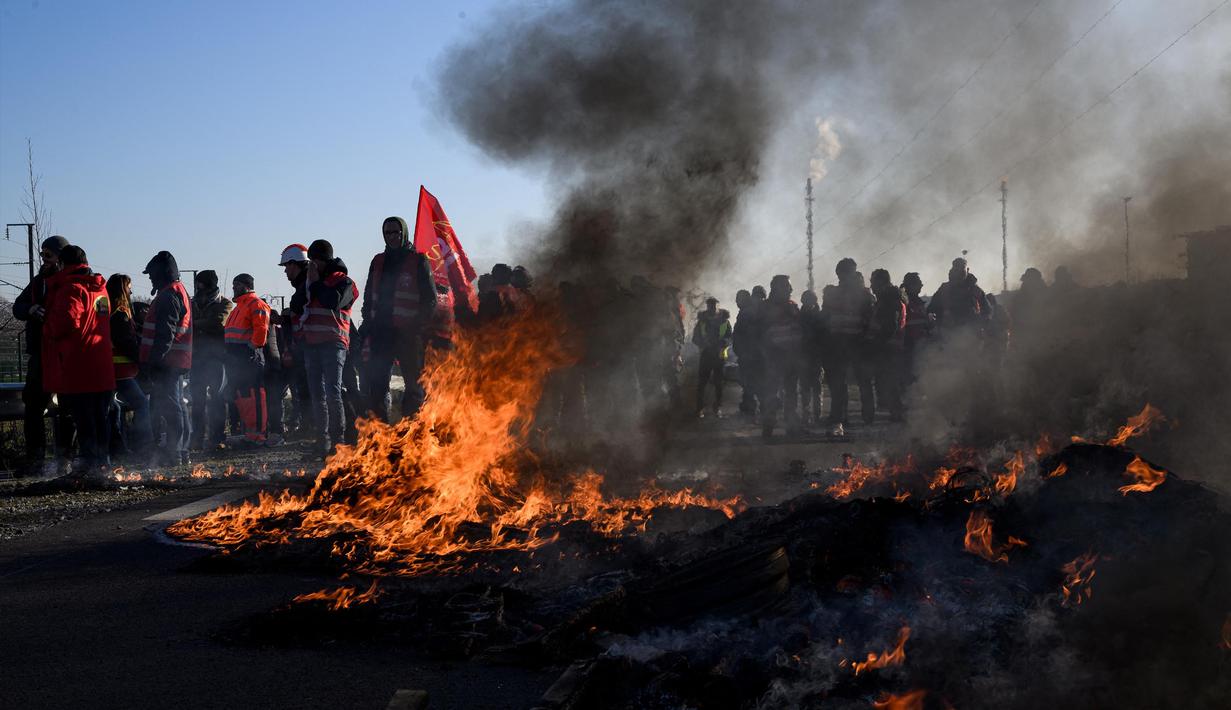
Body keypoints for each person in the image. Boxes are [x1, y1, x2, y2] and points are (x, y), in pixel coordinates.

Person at [42, 246, 115, 475]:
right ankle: (102, 463)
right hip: (102, 364)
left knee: (84, 419)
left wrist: (47, 324)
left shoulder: (71, 289)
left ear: (63, 264)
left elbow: (65, 323)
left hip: (79, 365)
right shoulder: (100, 289)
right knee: (100, 418)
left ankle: (89, 464)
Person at [359, 216, 437, 422]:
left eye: (395, 232)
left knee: (413, 386)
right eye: (387, 233)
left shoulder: (419, 260)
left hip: (408, 335)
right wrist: (368, 322)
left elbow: (430, 300)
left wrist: (417, 328)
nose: (391, 237)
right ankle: (379, 435)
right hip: (381, 333)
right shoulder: (377, 261)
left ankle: (411, 432)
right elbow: (368, 296)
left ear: (404, 233)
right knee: (377, 386)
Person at [13, 235, 74, 475]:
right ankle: (36, 459)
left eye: (48, 255)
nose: (43, 259)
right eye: (42, 255)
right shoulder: (39, 283)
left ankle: (66, 459)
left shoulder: (71, 282)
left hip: (64, 355)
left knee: (67, 407)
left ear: (60, 256)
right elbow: (18, 305)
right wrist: (30, 308)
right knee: (33, 405)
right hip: (40, 354)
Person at [302, 239, 358, 456]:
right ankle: (322, 441)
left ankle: (339, 441)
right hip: (312, 344)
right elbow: (299, 303)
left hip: (334, 344)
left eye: (314, 260)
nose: (312, 265)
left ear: (323, 260)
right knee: (317, 395)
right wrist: (311, 283)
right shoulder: (311, 280)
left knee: (332, 392)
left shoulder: (345, 283)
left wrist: (315, 284)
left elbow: (331, 301)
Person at [141, 250, 194, 466]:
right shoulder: (177, 291)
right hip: (175, 360)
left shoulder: (169, 295)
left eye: (152, 274)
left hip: (167, 362)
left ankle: (175, 453)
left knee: (171, 407)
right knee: (177, 406)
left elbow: (165, 334)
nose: (150, 278)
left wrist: (154, 362)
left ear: (161, 273)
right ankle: (180, 451)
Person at [822, 258, 874, 437]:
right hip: (838, 344)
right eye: (848, 272)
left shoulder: (864, 295)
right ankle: (839, 419)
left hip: (858, 343)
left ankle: (867, 418)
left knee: (863, 381)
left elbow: (870, 319)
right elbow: (825, 319)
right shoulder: (832, 294)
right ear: (840, 274)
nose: (850, 276)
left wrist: (867, 341)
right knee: (839, 384)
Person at [106, 274, 152, 458]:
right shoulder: (120, 313)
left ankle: (118, 448)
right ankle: (143, 446)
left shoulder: (108, 311)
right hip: (122, 371)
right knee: (141, 404)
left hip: (112, 370)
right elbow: (126, 342)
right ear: (123, 289)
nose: (131, 291)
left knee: (114, 408)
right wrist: (142, 358)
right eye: (129, 287)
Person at [222, 274, 271, 447]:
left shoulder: (255, 304)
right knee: (243, 397)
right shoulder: (239, 307)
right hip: (237, 359)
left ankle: (258, 434)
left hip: (250, 358)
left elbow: (261, 329)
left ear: (246, 285)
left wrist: (251, 349)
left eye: (237, 284)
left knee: (254, 396)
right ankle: (251, 434)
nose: (234, 287)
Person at [188, 270, 232, 450]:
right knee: (197, 400)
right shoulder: (193, 303)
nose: (197, 287)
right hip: (196, 358)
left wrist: (196, 324)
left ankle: (217, 437)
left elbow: (218, 322)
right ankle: (197, 437)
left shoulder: (225, 303)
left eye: (200, 284)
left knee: (217, 399)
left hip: (216, 358)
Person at [758, 275, 803, 439]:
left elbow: (799, 329)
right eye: (787, 287)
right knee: (772, 392)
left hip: (792, 356)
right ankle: (768, 424)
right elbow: (760, 334)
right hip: (774, 357)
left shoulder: (792, 306)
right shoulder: (765, 308)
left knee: (791, 392)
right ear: (777, 288)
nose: (791, 290)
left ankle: (791, 425)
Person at [278, 244, 312, 439]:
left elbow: (302, 313)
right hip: (305, 347)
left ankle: (310, 430)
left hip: (309, 348)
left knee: (309, 391)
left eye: (286, 266)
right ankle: (308, 428)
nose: (284, 271)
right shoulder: (305, 285)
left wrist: (287, 316)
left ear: (295, 264)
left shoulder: (306, 286)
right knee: (305, 391)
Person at [867, 269, 906, 423]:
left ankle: (897, 413)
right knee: (889, 382)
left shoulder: (889, 299)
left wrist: (877, 342)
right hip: (890, 347)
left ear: (880, 282)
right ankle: (895, 412)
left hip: (888, 348)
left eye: (873, 282)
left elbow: (890, 325)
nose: (871, 286)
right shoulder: (888, 298)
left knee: (891, 382)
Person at [691, 297, 731, 418]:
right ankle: (699, 408)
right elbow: (695, 338)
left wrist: (722, 343)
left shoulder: (725, 321)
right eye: (710, 306)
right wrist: (704, 344)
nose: (713, 308)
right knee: (702, 383)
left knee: (719, 384)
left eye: (715, 306)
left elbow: (730, 337)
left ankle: (717, 407)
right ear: (707, 307)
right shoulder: (702, 321)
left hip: (719, 355)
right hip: (706, 354)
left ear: (718, 307)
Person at [928, 257, 990, 333]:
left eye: (961, 269)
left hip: (971, 333)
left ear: (966, 270)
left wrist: (979, 323)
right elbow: (931, 309)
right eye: (956, 269)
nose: (958, 273)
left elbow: (987, 310)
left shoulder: (974, 289)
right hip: (948, 333)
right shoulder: (944, 289)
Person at [732, 289, 762, 417]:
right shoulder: (748, 311)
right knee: (750, 383)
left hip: (750, 354)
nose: (736, 302)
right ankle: (751, 408)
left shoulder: (747, 313)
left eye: (738, 299)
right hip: (751, 354)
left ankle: (752, 410)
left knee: (750, 383)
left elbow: (745, 335)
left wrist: (743, 351)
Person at [798, 289, 826, 426]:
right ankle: (811, 414)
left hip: (812, 355)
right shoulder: (817, 316)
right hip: (808, 355)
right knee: (811, 388)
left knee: (812, 387)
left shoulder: (800, 316)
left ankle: (813, 414)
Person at [900, 272, 930, 387]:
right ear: (910, 285)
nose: (921, 285)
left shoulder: (919, 303)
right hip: (907, 349)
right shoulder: (904, 303)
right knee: (907, 381)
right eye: (918, 283)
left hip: (920, 348)